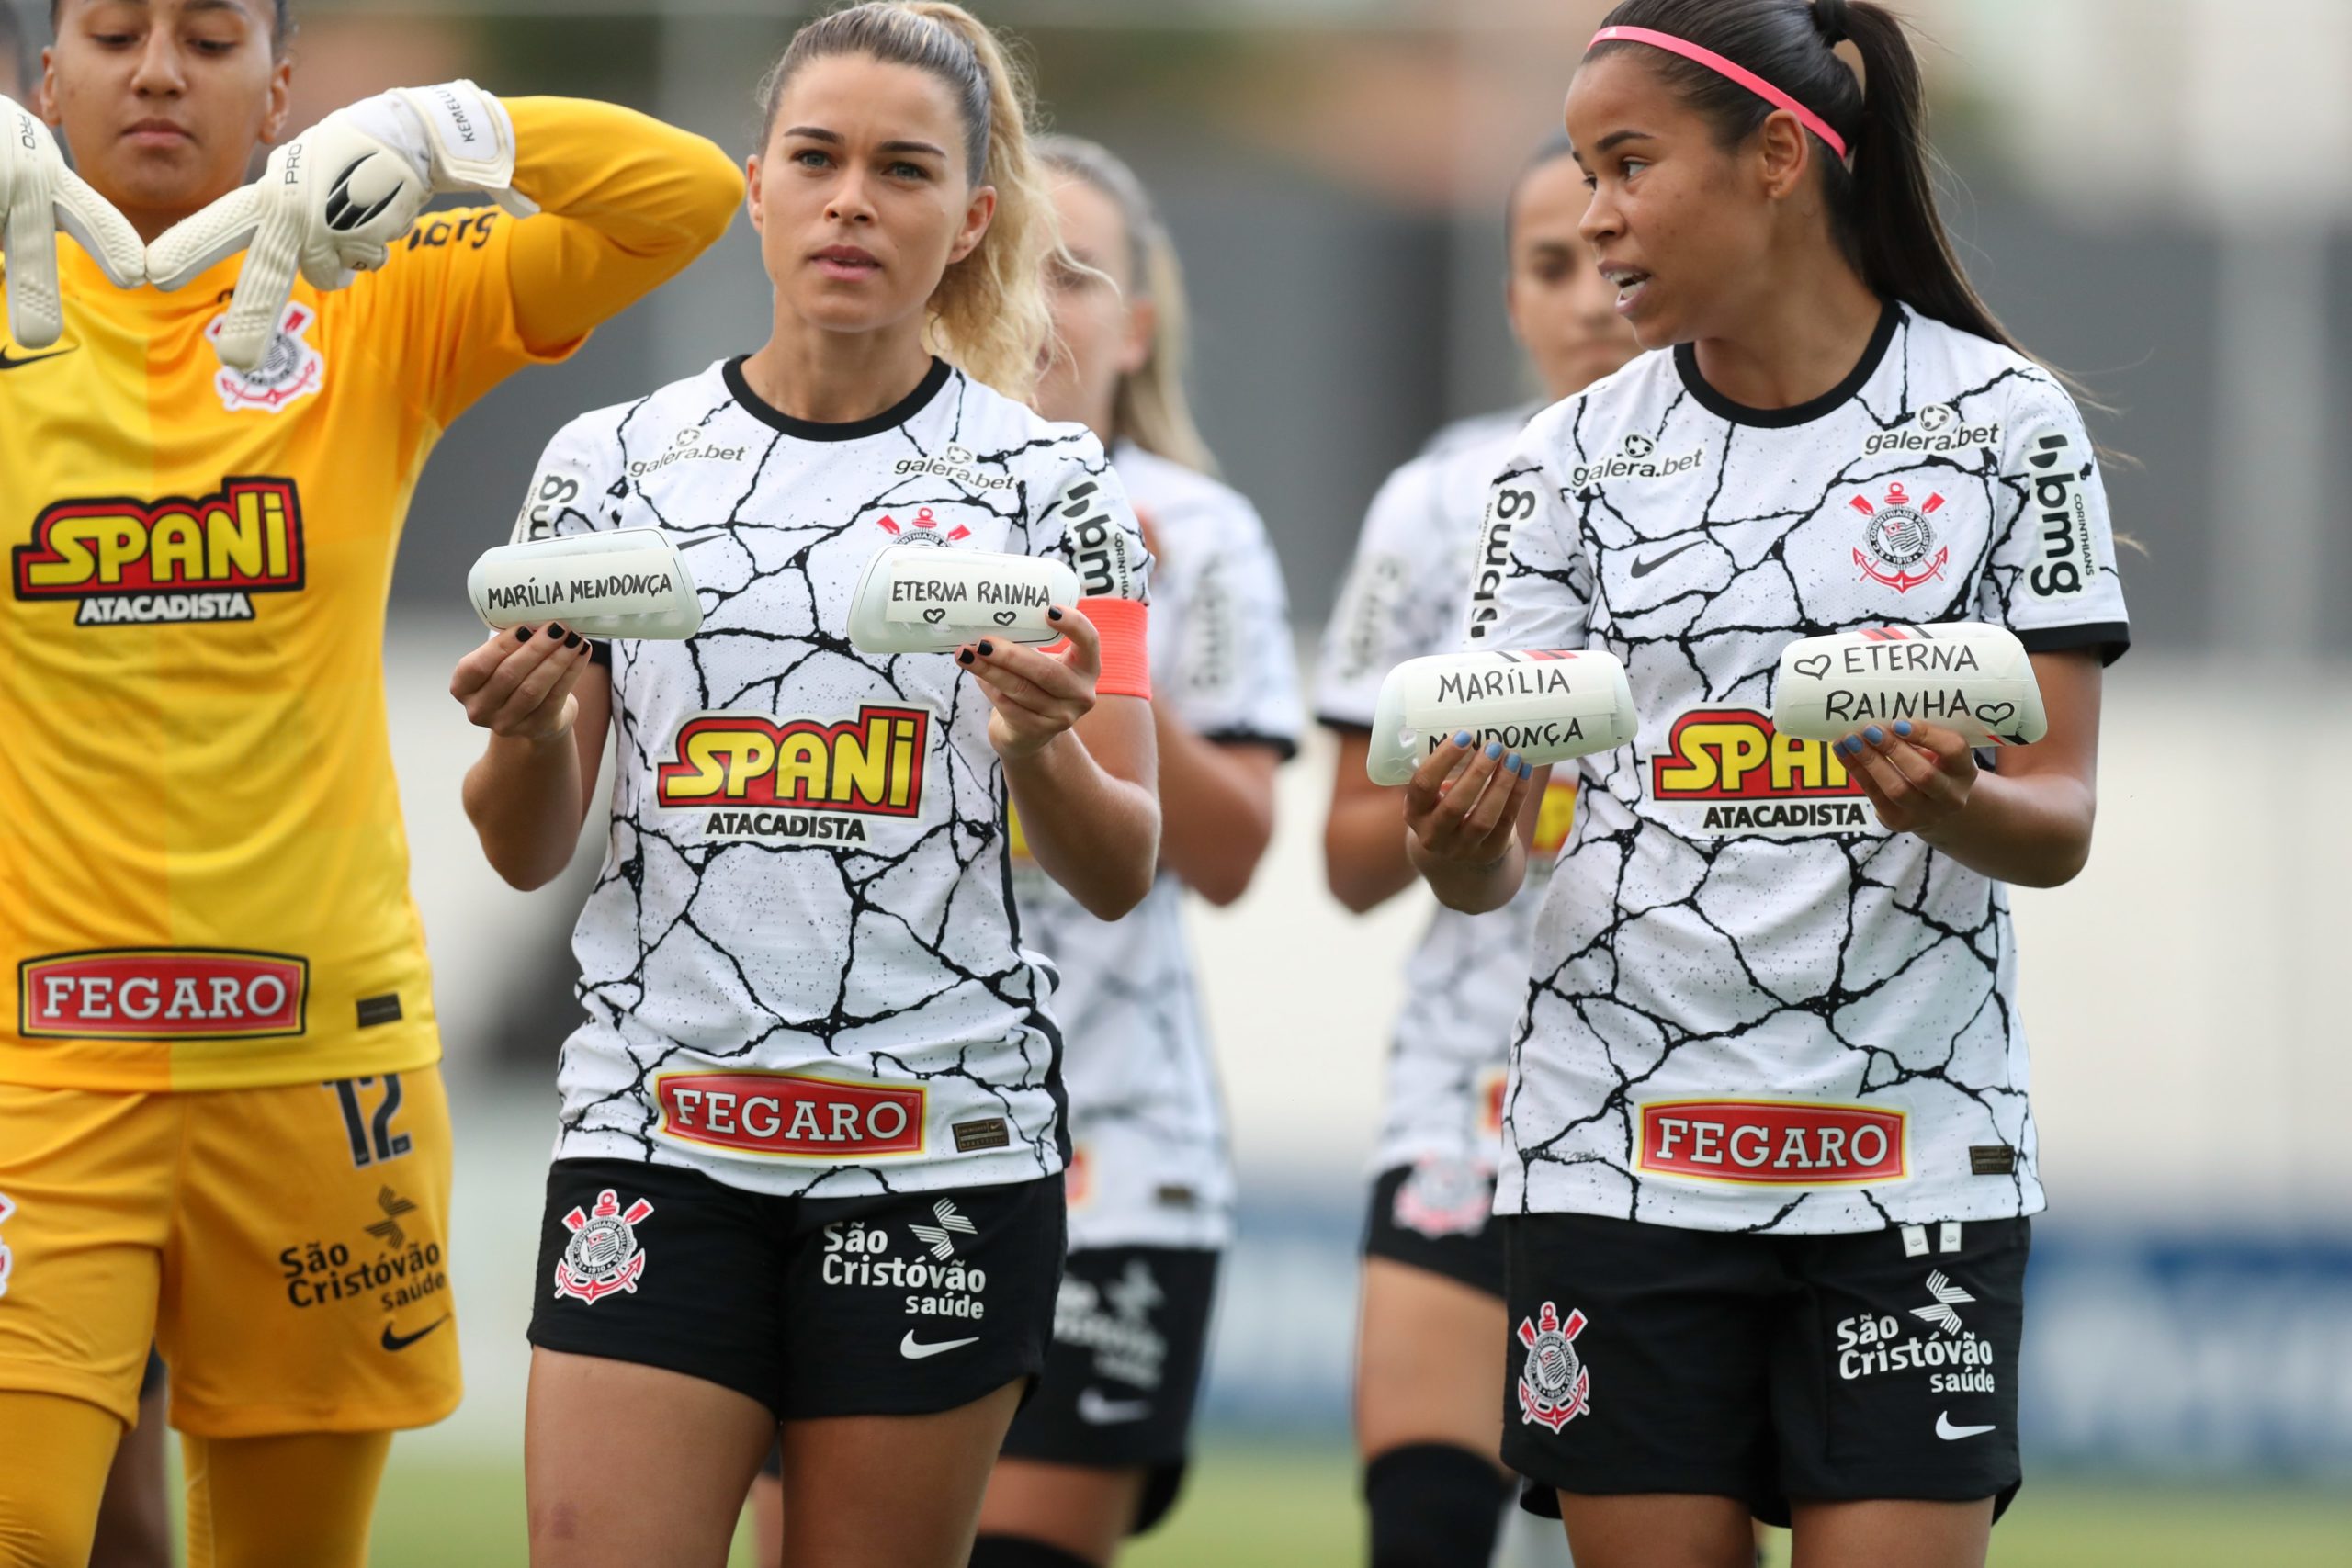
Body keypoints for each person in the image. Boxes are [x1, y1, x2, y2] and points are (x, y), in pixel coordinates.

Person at [0, 0, 742, 1562]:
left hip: (320, 1067)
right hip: (33, 1071)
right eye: (114, 32)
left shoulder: (370, 288)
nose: (154, 69)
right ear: (41, 74)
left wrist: (453, 132)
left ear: (280, 93)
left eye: (207, 39)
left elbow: (680, 194)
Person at [1404, 3, 2131, 1566]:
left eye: (1628, 163)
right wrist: (1458, 842)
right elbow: (1491, 861)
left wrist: (1951, 803)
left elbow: (2058, 822)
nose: (1594, 211)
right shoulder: (1565, 461)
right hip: (1614, 1153)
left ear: (1779, 159)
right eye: (1588, 170)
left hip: (1911, 1157)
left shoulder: (2006, 424)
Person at [448, 7, 1159, 1567]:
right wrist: (527, 732)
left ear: (971, 221)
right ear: (755, 184)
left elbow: (1122, 866)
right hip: (659, 1129)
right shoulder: (611, 460)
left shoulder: (1053, 488)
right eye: (818, 160)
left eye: (903, 171)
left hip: (938, 1150)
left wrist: (1044, 745)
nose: (852, 202)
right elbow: (522, 848)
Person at [964, 133, 1299, 1568]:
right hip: (880, 1125)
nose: (1042, 305)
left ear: (1136, 325)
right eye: (1012, 268)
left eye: (1079, 269)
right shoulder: (867, 512)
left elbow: (1230, 855)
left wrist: (1112, 641)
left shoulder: (1202, 533)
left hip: (1118, 1145)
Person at [1317, 132, 1637, 1568]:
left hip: (1695, 1091)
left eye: (1607, 251)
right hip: (1473, 1089)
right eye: (1547, 264)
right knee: (1429, 1532)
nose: (1588, 292)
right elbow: (1346, 858)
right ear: (1506, 294)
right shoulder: (1437, 504)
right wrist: (1464, 788)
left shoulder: (1789, 492)